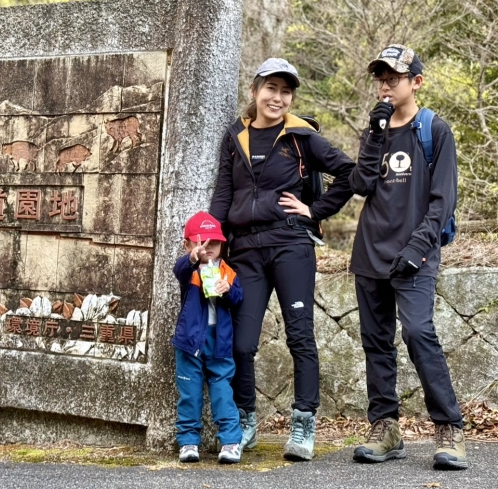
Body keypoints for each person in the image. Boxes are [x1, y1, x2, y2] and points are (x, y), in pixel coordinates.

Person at [209, 58, 355, 461]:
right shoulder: (235, 136)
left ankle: (304, 422)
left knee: (300, 336)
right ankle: (245, 420)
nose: (278, 98)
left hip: (291, 246)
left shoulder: (301, 137)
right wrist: (213, 240)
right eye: (271, 88)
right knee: (241, 344)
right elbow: (223, 193)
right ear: (255, 91)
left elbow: (349, 172)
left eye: (286, 91)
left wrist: (315, 210)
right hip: (245, 252)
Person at [349, 45, 466, 469]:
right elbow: (360, 184)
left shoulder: (434, 130)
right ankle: (385, 428)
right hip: (370, 252)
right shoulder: (376, 130)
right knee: (376, 342)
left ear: (416, 82)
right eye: (380, 79)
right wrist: (373, 133)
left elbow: (443, 200)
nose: (385, 86)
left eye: (394, 78)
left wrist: (418, 248)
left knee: (418, 332)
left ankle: (449, 427)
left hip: (415, 255)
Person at [172, 211, 244, 464]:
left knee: (222, 390)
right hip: (189, 340)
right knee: (189, 393)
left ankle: (231, 441)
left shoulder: (227, 271)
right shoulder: (189, 270)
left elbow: (238, 298)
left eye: (215, 242)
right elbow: (179, 271)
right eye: (202, 242)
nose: (209, 247)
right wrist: (193, 258)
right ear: (188, 244)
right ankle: (188, 442)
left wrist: (228, 290)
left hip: (220, 341)